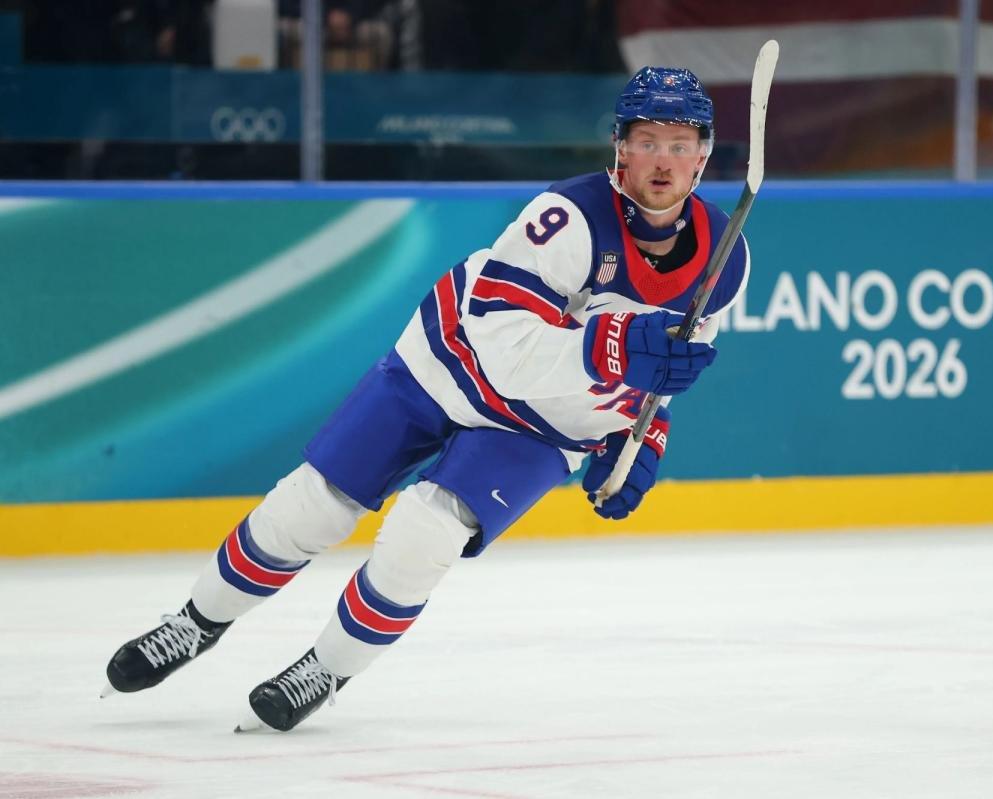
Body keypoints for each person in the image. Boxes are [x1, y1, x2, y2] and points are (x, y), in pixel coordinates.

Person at [101, 65, 751, 733]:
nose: (662, 161)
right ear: (620, 147)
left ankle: (326, 667)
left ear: (702, 155)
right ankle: (195, 622)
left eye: (678, 144)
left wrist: (642, 435)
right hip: (449, 363)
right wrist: (610, 347)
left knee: (426, 534)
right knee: (313, 503)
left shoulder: (727, 258)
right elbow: (503, 346)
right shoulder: (568, 218)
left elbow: (668, 367)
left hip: (544, 426)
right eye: (647, 141)